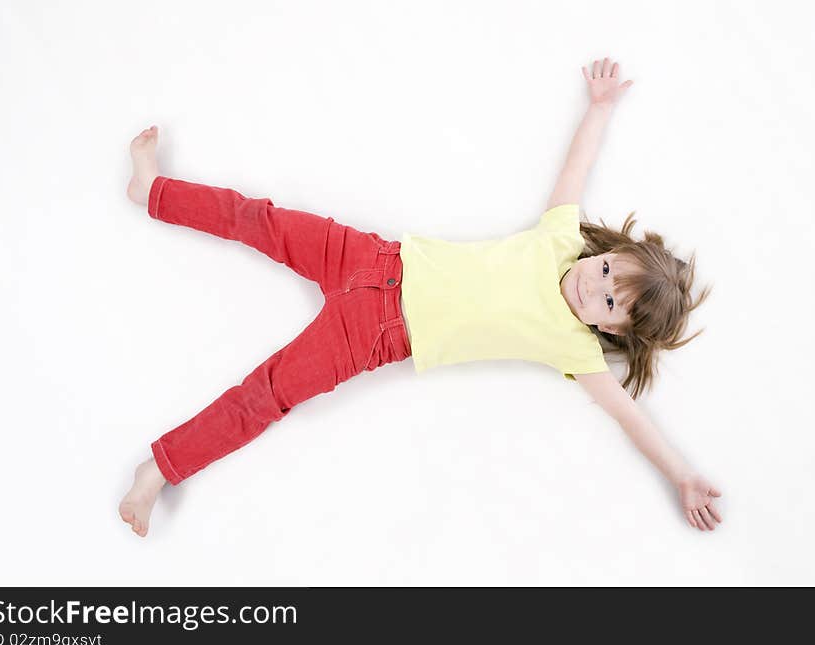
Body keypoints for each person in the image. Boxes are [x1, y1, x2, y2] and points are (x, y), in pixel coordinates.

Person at [119, 57, 722, 538]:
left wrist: (683, 476)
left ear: (613, 332)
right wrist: (599, 108)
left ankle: (159, 471)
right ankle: (153, 190)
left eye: (609, 303)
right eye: (606, 269)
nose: (592, 284)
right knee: (261, 219)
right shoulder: (560, 239)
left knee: (266, 395)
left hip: (374, 337)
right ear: (604, 251)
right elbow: (577, 166)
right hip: (372, 257)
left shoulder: (576, 351)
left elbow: (630, 418)